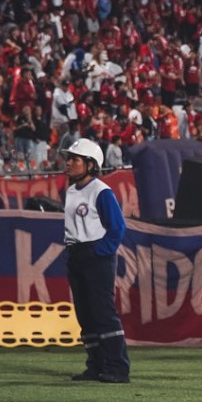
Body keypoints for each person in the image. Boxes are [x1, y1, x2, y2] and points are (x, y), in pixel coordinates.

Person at [63, 138, 130, 383]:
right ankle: (96, 365)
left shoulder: (101, 191)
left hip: (97, 256)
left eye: (75, 159)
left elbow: (117, 228)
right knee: (85, 314)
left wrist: (99, 252)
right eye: (68, 158)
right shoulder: (71, 191)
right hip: (77, 254)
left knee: (103, 313)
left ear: (91, 164)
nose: (69, 163)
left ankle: (118, 368)